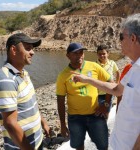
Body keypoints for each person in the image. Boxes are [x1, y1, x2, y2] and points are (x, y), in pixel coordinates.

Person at [72, 13, 140, 150]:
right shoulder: (134, 67)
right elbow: (116, 89)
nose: (119, 42)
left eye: (121, 37)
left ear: (133, 38)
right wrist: (88, 79)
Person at [0, 33, 50, 150]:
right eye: (28, 48)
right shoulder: (5, 80)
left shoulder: (24, 73)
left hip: (37, 141)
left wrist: (42, 121)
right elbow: (10, 123)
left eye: (32, 49)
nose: (32, 52)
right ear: (13, 50)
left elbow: (32, 103)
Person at [56, 42, 112, 150]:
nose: (79, 55)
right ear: (68, 55)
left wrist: (105, 105)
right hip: (75, 118)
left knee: (103, 145)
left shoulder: (94, 66)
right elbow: (60, 101)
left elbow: (110, 83)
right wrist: (62, 125)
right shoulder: (63, 76)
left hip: (95, 114)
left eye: (81, 52)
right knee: (78, 146)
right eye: (75, 53)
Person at [96, 45, 120, 110]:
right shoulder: (95, 64)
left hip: (109, 92)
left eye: (104, 54)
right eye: (100, 54)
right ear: (97, 54)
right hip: (97, 93)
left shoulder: (112, 63)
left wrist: (117, 84)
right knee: (98, 111)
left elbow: (117, 73)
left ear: (108, 53)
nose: (102, 56)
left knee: (107, 111)